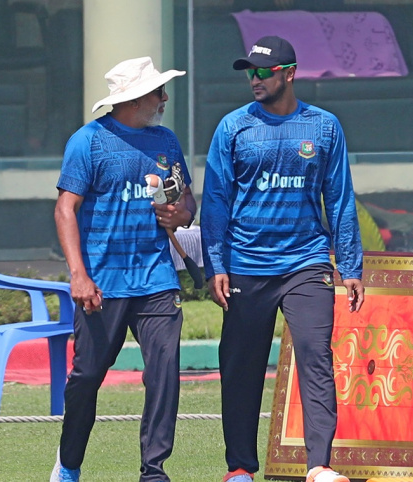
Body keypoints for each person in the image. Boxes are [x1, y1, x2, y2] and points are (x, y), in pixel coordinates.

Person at [200, 36, 365, 482]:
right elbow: (215, 201)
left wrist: (350, 266)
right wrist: (216, 264)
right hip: (246, 265)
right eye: (249, 72)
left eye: (262, 72)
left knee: (316, 357)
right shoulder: (232, 128)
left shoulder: (325, 126)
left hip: (307, 262)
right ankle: (239, 469)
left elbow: (341, 198)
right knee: (242, 365)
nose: (253, 79)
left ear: (289, 73)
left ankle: (319, 466)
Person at [51, 56, 197, 481]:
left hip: (155, 278)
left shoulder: (166, 142)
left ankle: (153, 471)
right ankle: (70, 464)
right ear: (135, 99)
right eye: (158, 92)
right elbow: (65, 210)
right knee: (87, 377)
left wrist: (181, 215)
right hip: (102, 285)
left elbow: (186, 202)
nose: (165, 98)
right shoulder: (88, 141)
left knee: (165, 372)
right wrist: (79, 275)